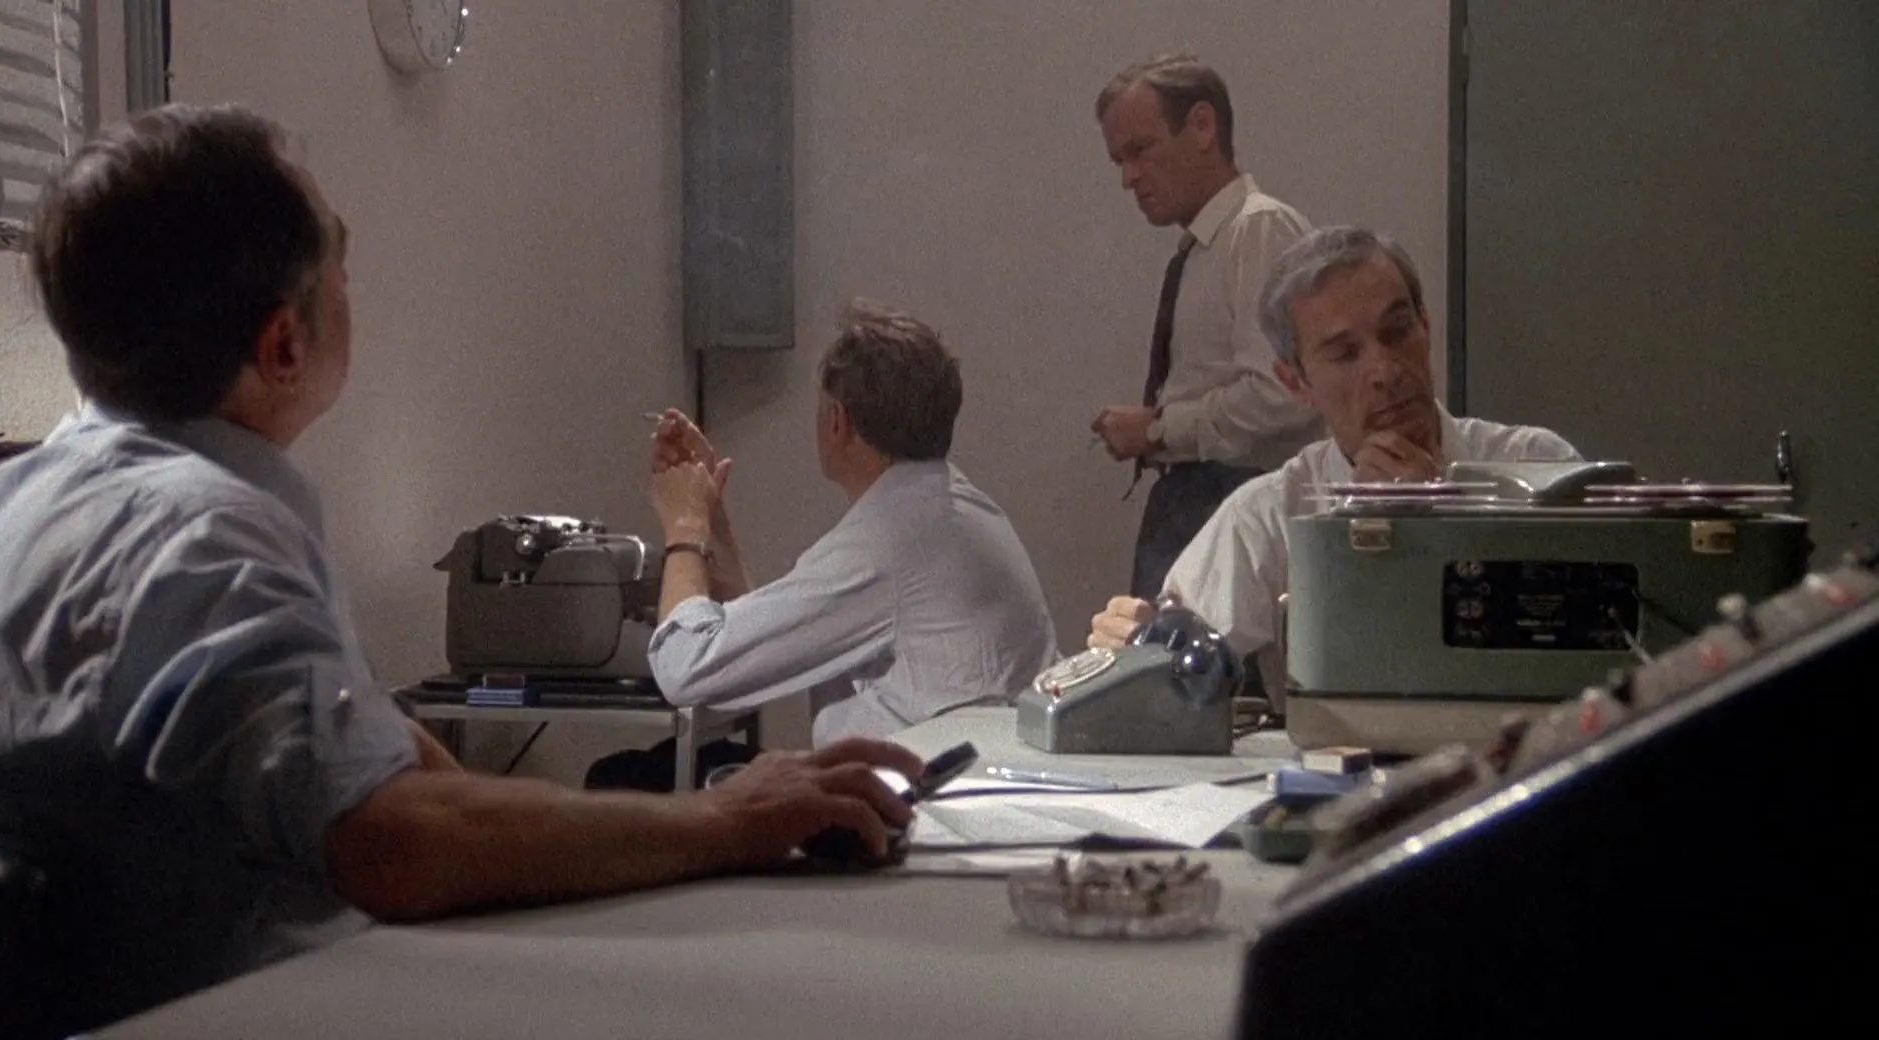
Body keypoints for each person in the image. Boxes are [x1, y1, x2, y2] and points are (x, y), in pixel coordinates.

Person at [0, 103, 923, 1034]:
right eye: (341, 265)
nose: (354, 290)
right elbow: (390, 842)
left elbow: (357, 754)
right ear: (284, 345)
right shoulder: (207, 537)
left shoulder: (21, 496)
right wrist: (724, 818)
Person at [1087, 226, 1582, 701]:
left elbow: (1595, 650)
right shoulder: (1271, 516)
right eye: (1346, 354)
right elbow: (1165, 676)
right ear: (1296, 382)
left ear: (1426, 327)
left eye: (1397, 332)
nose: (1384, 371)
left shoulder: (1537, 469)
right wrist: (1138, 646)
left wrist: (1440, 525)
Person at [641, 303, 1061, 747]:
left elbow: (684, 667)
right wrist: (710, 516)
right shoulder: (957, 509)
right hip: (978, 773)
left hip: (924, 785)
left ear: (837, 422)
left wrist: (685, 525)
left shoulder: (885, 547)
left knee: (630, 772)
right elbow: (760, 646)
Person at [1090, 53, 1327, 601]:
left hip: (1233, 497)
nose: (1129, 178)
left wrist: (1158, 430)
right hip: (1200, 497)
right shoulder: (1204, 249)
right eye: (1119, 161)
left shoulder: (1259, 230)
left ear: (1202, 126)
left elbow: (1284, 395)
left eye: (1140, 150)